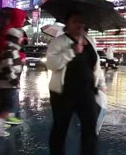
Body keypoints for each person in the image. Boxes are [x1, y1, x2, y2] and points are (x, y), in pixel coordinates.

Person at [46, 12, 106, 155]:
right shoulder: (59, 42)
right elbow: (51, 64)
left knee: (91, 129)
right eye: (74, 21)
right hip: (63, 93)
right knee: (60, 128)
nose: (79, 24)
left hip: (87, 92)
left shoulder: (90, 40)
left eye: (81, 21)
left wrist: (102, 84)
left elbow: (96, 65)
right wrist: (71, 51)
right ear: (67, 24)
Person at [0, 28, 25, 137]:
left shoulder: (10, 49)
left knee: (4, 105)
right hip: (8, 84)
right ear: (16, 38)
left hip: (5, 83)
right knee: (10, 106)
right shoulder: (10, 50)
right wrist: (13, 80)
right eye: (20, 37)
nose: (22, 39)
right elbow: (7, 66)